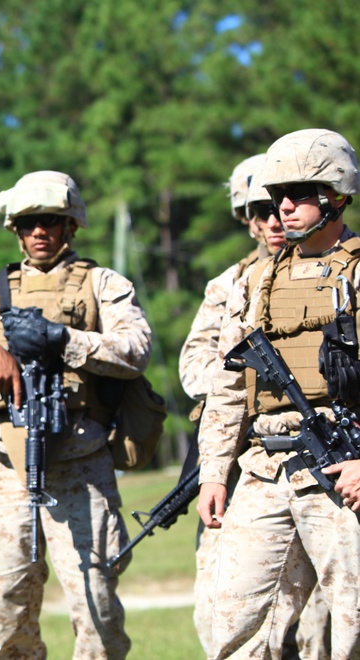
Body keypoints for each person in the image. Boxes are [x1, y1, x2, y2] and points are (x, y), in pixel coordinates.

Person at [0, 171, 151, 659]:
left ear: (71, 226)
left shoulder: (103, 285)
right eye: (29, 223)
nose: (40, 232)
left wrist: (64, 340)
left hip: (81, 463)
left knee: (97, 612)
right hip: (7, 467)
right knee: (7, 611)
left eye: (51, 221)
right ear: (15, 229)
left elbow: (134, 350)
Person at [196, 128, 360, 658]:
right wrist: (215, 472)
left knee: (352, 624)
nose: (281, 208)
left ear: (333, 194)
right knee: (235, 624)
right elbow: (226, 385)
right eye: (275, 198)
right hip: (265, 467)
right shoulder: (255, 281)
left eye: (295, 194)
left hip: (341, 464)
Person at [179, 153, 289, 655]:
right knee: (220, 607)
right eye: (259, 210)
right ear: (246, 220)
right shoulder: (229, 284)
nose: (273, 220)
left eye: (279, 205)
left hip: (310, 450)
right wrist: (250, 383)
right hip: (237, 454)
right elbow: (194, 367)